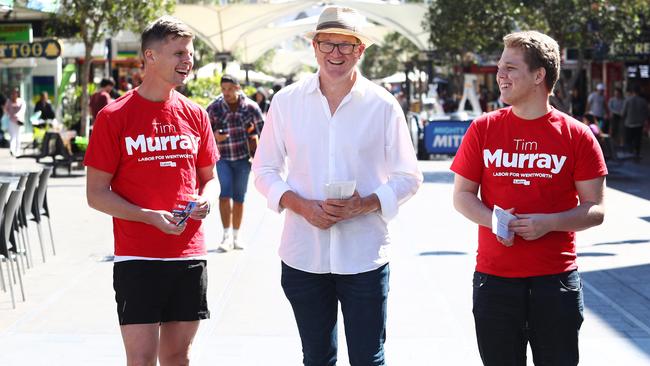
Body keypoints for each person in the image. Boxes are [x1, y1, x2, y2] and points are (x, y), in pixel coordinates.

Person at [252, 6, 422, 365]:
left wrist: (367, 203)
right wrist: (300, 205)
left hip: (365, 256)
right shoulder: (286, 102)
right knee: (316, 357)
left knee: (368, 358)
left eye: (346, 45)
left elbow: (409, 176)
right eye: (328, 44)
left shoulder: (383, 105)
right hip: (303, 256)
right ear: (314, 47)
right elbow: (264, 169)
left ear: (361, 50)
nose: (336, 54)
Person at [451, 31, 607, 366]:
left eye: (510, 68)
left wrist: (549, 224)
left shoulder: (576, 135)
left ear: (539, 75)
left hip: (555, 283)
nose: (500, 75)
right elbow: (462, 196)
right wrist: (496, 220)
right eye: (499, 66)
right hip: (494, 281)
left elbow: (595, 210)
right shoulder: (483, 128)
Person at [84, 16, 219, 365]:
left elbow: (210, 177)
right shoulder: (114, 117)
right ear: (151, 56)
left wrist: (206, 198)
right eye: (178, 53)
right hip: (137, 257)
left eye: (190, 53)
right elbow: (96, 194)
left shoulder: (195, 114)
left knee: (178, 357)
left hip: (188, 255)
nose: (187, 61)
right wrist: (148, 217)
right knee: (141, 360)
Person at [207, 74, 264, 251]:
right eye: (224, 89)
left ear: (238, 88)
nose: (227, 93)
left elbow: (264, 131)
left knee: (239, 198)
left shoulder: (250, 107)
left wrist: (263, 157)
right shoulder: (214, 107)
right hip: (222, 158)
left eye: (230, 89)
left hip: (243, 159)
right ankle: (225, 236)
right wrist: (214, 136)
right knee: (224, 196)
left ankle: (237, 236)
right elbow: (204, 132)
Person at [621, 84, 649, 159]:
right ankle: (637, 153)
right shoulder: (643, 101)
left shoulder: (628, 100)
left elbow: (623, 113)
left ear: (632, 91)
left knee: (629, 139)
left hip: (629, 123)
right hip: (639, 123)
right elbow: (646, 113)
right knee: (638, 139)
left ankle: (629, 153)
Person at [3, 88, 26, 157]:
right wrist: (9, 114)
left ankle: (18, 150)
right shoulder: (9, 101)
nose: (14, 94)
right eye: (13, 93)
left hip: (19, 121)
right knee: (13, 136)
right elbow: (5, 109)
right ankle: (12, 150)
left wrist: (17, 115)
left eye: (15, 93)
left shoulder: (21, 101)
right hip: (11, 121)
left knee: (18, 136)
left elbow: (23, 110)